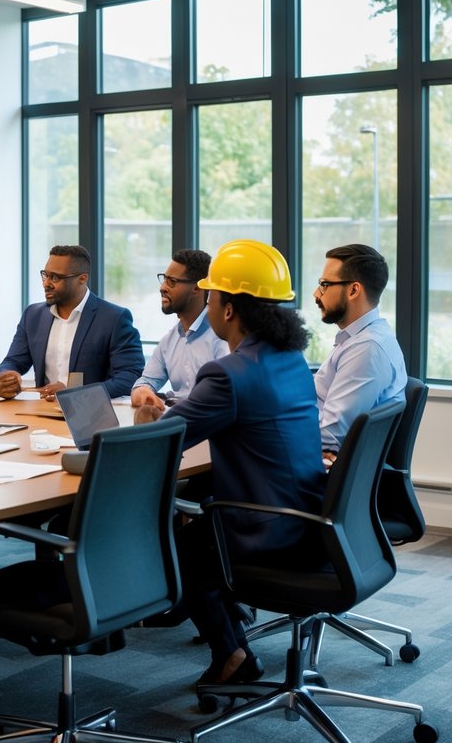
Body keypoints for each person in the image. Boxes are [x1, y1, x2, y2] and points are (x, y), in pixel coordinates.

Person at [135, 239, 326, 686]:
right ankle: (233, 652)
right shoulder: (289, 358)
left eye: (213, 294)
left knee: (175, 546)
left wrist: (147, 420)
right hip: (307, 512)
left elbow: (156, 445)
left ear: (228, 310)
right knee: (196, 537)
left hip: (266, 525)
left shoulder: (228, 374)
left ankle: (233, 654)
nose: (209, 302)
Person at [0, 245, 143, 401]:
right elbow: (13, 361)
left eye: (55, 277)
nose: (46, 283)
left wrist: (73, 393)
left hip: (91, 415)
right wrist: (2, 378)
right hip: (42, 412)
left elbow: (129, 377)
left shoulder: (114, 318)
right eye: (45, 275)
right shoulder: (33, 315)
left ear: (82, 279)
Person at [313, 243, 406, 464]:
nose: (316, 294)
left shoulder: (367, 349)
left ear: (354, 290)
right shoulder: (358, 339)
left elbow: (330, 437)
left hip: (318, 475)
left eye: (325, 285)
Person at [131, 249, 229, 410]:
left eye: (172, 281)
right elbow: (146, 382)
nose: (162, 287)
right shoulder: (169, 341)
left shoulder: (222, 336)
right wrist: (142, 391)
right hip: (182, 422)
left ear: (197, 288)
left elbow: (222, 399)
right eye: (163, 279)